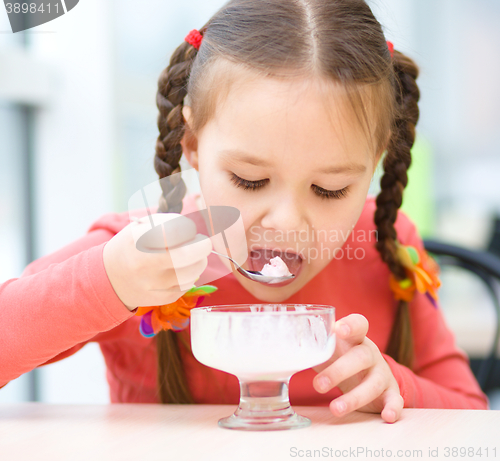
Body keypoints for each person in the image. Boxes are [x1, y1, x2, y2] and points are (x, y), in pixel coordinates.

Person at [0, 0, 488, 422]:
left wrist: (394, 387)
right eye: (250, 180)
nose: (286, 223)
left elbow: (471, 415)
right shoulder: (136, 260)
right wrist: (107, 283)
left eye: (330, 188)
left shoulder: (386, 248)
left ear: (376, 161)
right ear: (192, 144)